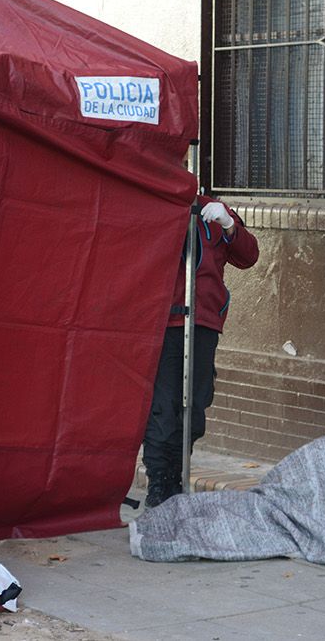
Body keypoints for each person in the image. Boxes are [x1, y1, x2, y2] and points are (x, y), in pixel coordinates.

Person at [141, 191, 258, 507]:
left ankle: (178, 477)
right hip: (163, 323)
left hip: (203, 323)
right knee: (162, 408)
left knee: (193, 407)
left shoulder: (210, 209)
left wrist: (229, 224)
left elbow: (248, 256)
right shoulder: (152, 203)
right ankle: (159, 483)